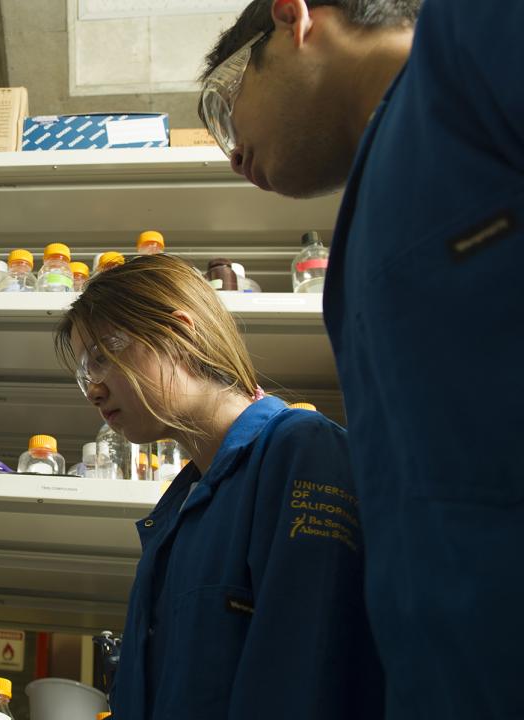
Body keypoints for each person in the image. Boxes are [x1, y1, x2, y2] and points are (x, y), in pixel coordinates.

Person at [199, 1, 523, 715]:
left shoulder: (467, 50)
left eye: (225, 103)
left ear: (293, 18)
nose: (231, 151)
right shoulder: (374, 215)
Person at [55, 254, 382, 719]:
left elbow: (311, 676)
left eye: (104, 356)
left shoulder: (300, 450)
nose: (94, 388)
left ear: (181, 332)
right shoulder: (178, 515)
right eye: (86, 371)